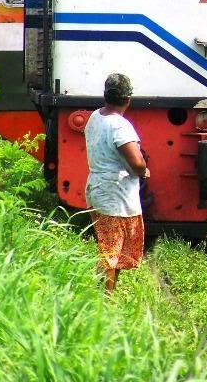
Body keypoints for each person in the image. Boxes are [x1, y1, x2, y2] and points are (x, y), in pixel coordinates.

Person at [84, 73, 149, 292]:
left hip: (98, 190)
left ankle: (106, 295)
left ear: (106, 95)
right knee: (110, 252)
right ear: (127, 99)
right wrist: (144, 170)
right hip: (115, 196)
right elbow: (136, 163)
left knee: (112, 248)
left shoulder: (95, 117)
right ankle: (106, 301)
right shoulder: (120, 126)